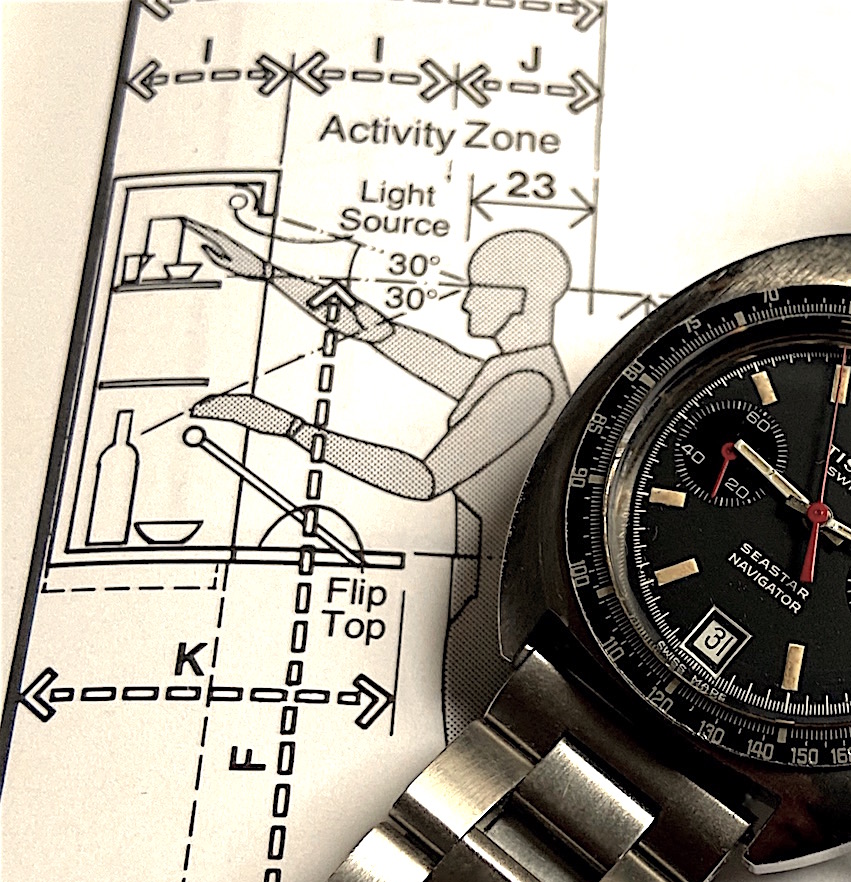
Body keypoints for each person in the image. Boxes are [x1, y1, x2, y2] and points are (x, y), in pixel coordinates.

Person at [185, 220, 572, 741]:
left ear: (520, 299)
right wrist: (269, 273)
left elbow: (422, 478)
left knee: (491, 743)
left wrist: (289, 427)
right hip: (487, 598)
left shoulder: (528, 385)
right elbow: (384, 335)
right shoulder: (509, 370)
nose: (464, 303)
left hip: (499, 618)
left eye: (479, 288)